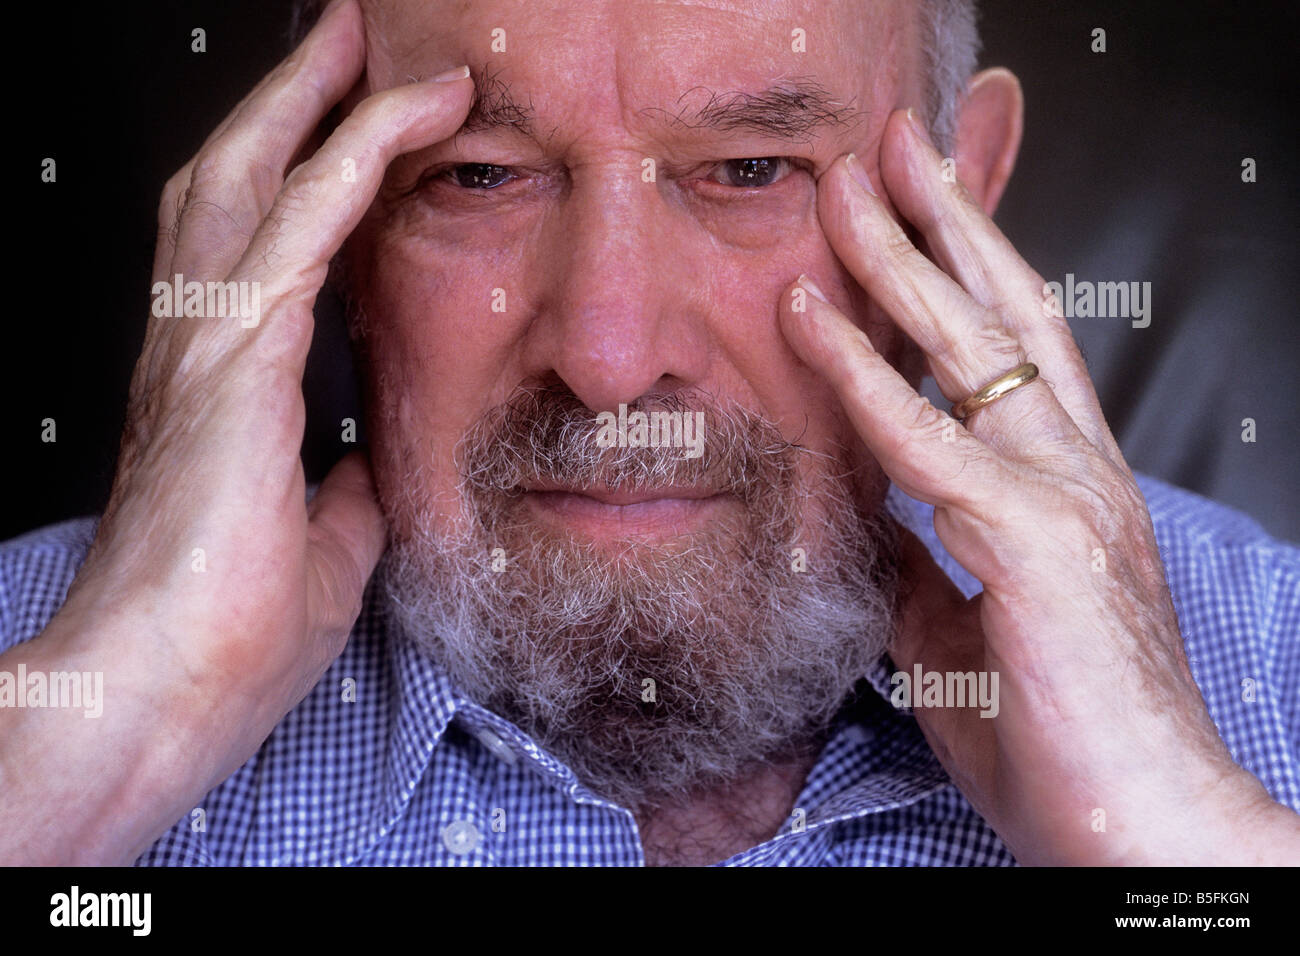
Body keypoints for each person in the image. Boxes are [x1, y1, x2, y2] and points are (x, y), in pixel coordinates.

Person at [2, 0, 1297, 866]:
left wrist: (1177, 846)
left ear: (955, 197)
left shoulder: (1267, 664)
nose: (611, 360)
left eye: (749, 170)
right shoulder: (43, 669)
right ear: (322, 232)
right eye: (478, 177)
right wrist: (110, 737)